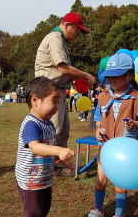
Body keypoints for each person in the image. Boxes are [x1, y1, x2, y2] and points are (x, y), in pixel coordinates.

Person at [88, 53, 138, 217]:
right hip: (105, 146)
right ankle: (98, 208)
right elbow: (98, 119)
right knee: (100, 180)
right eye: (109, 76)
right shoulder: (103, 97)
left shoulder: (137, 98)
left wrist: (135, 124)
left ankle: (118, 213)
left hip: (125, 150)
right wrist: (98, 129)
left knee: (120, 184)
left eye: (116, 76)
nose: (111, 80)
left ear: (129, 75)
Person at [35, 11, 95, 176]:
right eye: (76, 30)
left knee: (63, 130)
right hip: (47, 90)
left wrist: (76, 79)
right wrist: (86, 76)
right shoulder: (55, 38)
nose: (77, 34)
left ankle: (57, 165)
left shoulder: (61, 40)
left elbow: (63, 71)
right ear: (67, 25)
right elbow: (62, 67)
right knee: (52, 129)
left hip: (57, 90)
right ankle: (44, 166)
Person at [15, 76, 75, 217]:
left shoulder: (49, 124)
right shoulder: (31, 124)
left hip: (45, 178)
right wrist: (59, 150)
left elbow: (50, 147)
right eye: (54, 101)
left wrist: (63, 159)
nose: (57, 107)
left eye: (58, 102)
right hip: (30, 181)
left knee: (44, 209)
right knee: (34, 213)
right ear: (35, 100)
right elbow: (35, 147)